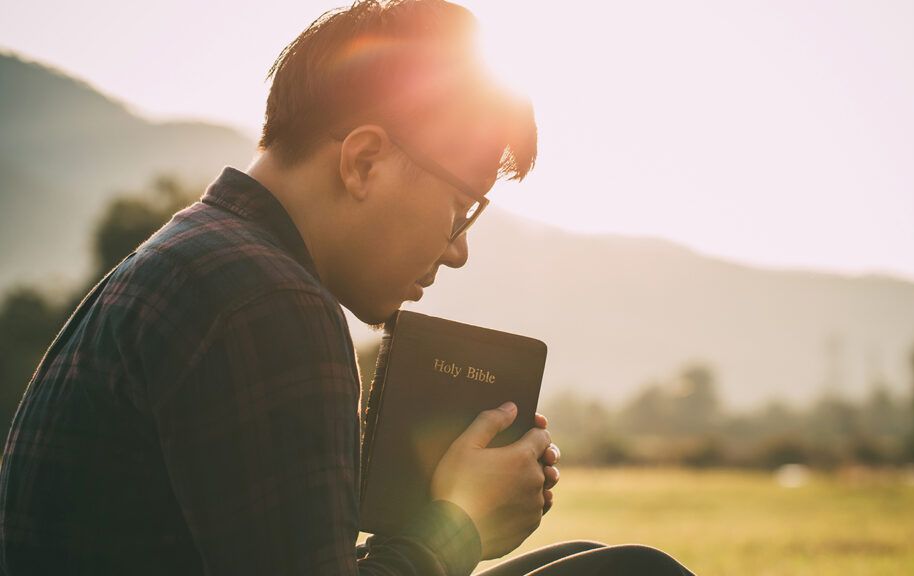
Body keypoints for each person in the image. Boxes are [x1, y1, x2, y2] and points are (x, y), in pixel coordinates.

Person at [0, 1, 694, 574]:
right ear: (364, 161)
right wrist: (456, 525)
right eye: (460, 211)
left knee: (592, 559)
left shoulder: (203, 256)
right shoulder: (266, 302)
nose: (457, 252)